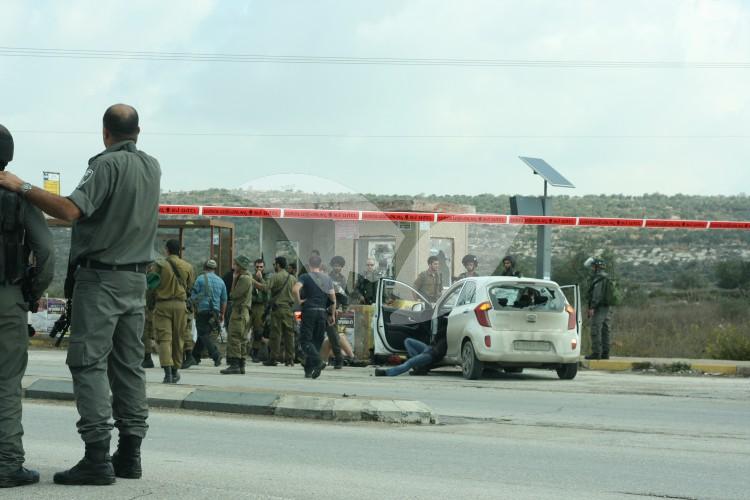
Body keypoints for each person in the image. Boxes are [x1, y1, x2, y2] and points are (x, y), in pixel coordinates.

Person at [0, 104, 160, 485]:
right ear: (137, 132)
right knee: (128, 365)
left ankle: (97, 457)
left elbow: (70, 210)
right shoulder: (152, 166)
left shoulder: (103, 166)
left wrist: (20, 185)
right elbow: (47, 254)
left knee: (88, 365)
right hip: (135, 281)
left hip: (101, 279)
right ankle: (130, 453)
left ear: (106, 133)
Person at [0, 124, 54, 488]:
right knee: (5, 382)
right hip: (7, 297)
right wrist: (31, 290)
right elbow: (46, 251)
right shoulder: (18, 198)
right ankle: (6, 464)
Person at [149, 239, 194, 384]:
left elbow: (151, 286)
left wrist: (150, 305)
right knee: (178, 338)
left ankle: (167, 373)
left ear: (166, 250)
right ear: (179, 251)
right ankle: (175, 371)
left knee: (164, 339)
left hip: (163, 305)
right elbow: (190, 287)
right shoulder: (188, 266)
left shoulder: (159, 265)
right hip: (180, 306)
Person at [293, 255, 336, 378]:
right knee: (317, 341)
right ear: (321, 264)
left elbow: (295, 290)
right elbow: (333, 298)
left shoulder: (305, 277)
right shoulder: (327, 279)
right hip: (322, 312)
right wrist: (332, 314)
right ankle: (309, 369)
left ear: (309, 264)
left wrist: (299, 301)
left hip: (309, 311)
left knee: (305, 340)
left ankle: (317, 362)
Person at [190, 259, 227, 367]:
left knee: (202, 334)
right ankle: (195, 357)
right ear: (214, 269)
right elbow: (224, 299)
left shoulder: (200, 279)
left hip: (203, 310)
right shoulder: (221, 281)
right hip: (215, 313)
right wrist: (222, 314)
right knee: (204, 334)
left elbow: (193, 296)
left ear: (204, 267)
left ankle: (216, 354)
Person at [221, 255, 254, 374]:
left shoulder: (244, 279)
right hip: (243, 312)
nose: (233, 267)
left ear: (240, 266)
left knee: (234, 338)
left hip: (239, 311)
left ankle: (235, 364)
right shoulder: (248, 276)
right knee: (242, 339)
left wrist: (234, 280)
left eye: (235, 264)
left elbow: (233, 295)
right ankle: (241, 364)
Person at [261, 256, 297, 366]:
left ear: (278, 265)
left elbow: (265, 288)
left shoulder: (275, 277)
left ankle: (273, 358)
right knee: (289, 335)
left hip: (277, 310)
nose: (273, 266)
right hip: (289, 309)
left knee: (276, 334)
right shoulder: (293, 278)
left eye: (274, 264)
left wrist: (255, 281)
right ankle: (290, 359)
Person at [374, 330, 447, 377]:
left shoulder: (448, 335)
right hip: (429, 348)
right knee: (408, 341)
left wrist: (429, 353)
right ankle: (419, 367)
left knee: (409, 363)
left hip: (430, 354)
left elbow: (439, 353)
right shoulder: (443, 328)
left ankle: (386, 373)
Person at [585, 257, 613, 360]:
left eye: (593, 266)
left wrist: (592, 307)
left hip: (599, 307)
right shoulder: (606, 277)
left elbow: (596, 295)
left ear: (596, 267)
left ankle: (596, 353)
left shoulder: (599, 278)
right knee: (606, 330)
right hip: (607, 307)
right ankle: (605, 353)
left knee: (595, 329)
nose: (591, 268)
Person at [326, 256, 349, 368]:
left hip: (335, 311)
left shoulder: (343, 279)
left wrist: (343, 310)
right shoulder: (327, 277)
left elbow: (345, 296)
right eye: (335, 265)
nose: (337, 268)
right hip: (325, 308)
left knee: (334, 337)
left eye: (339, 266)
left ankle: (338, 359)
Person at [248, 259, 268, 362]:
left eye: (261, 267)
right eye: (257, 267)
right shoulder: (249, 277)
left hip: (260, 306)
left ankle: (255, 353)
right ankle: (243, 351)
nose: (259, 269)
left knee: (258, 331)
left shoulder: (267, 278)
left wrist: (261, 280)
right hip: (250, 305)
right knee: (245, 329)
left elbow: (267, 290)